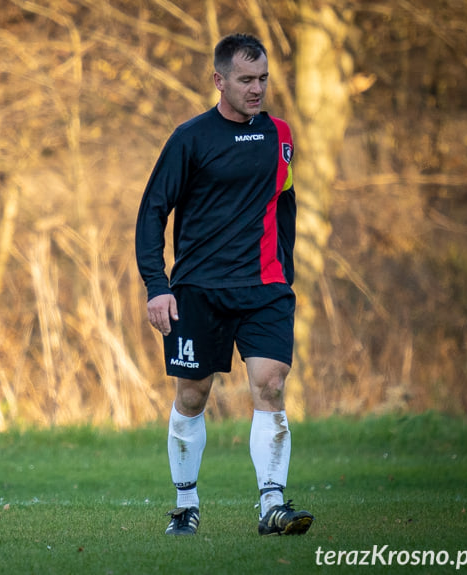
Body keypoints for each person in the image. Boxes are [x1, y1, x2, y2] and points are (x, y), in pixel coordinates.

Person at [135, 33, 313, 537]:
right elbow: (152, 212)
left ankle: (272, 506)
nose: (257, 89)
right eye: (245, 80)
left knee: (271, 385)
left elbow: (286, 206)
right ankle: (186, 505)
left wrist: (286, 271)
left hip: (265, 288)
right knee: (192, 396)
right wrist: (157, 284)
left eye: (263, 79)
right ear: (219, 80)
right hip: (198, 289)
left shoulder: (281, 134)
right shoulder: (190, 138)